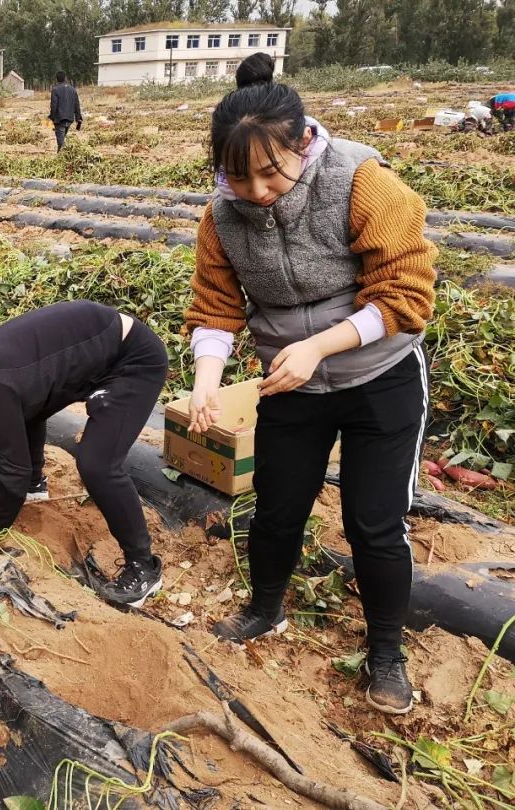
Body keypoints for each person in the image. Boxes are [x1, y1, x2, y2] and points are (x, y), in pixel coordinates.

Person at [185, 53, 436, 715]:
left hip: (378, 374)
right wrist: (206, 381)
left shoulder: (361, 180)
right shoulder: (222, 216)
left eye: (272, 174)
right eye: (241, 179)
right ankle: (265, 609)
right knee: (277, 509)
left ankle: (385, 653)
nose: (259, 192)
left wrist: (318, 345)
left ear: (303, 144)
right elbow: (215, 307)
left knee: (373, 524)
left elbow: (405, 294)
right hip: (291, 385)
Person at [0, 300, 169, 608]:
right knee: (23, 415)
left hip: (132, 359)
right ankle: (35, 487)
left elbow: (12, 468)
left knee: (97, 463)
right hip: (98, 344)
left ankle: (144, 569)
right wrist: (6, 502)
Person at [49, 71, 83, 152]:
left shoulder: (55, 90)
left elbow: (54, 106)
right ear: (65, 78)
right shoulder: (73, 90)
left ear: (57, 79)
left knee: (61, 144)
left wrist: (52, 118)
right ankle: (61, 156)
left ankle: (63, 158)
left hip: (60, 120)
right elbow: (76, 105)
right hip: (69, 119)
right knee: (62, 140)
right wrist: (78, 118)